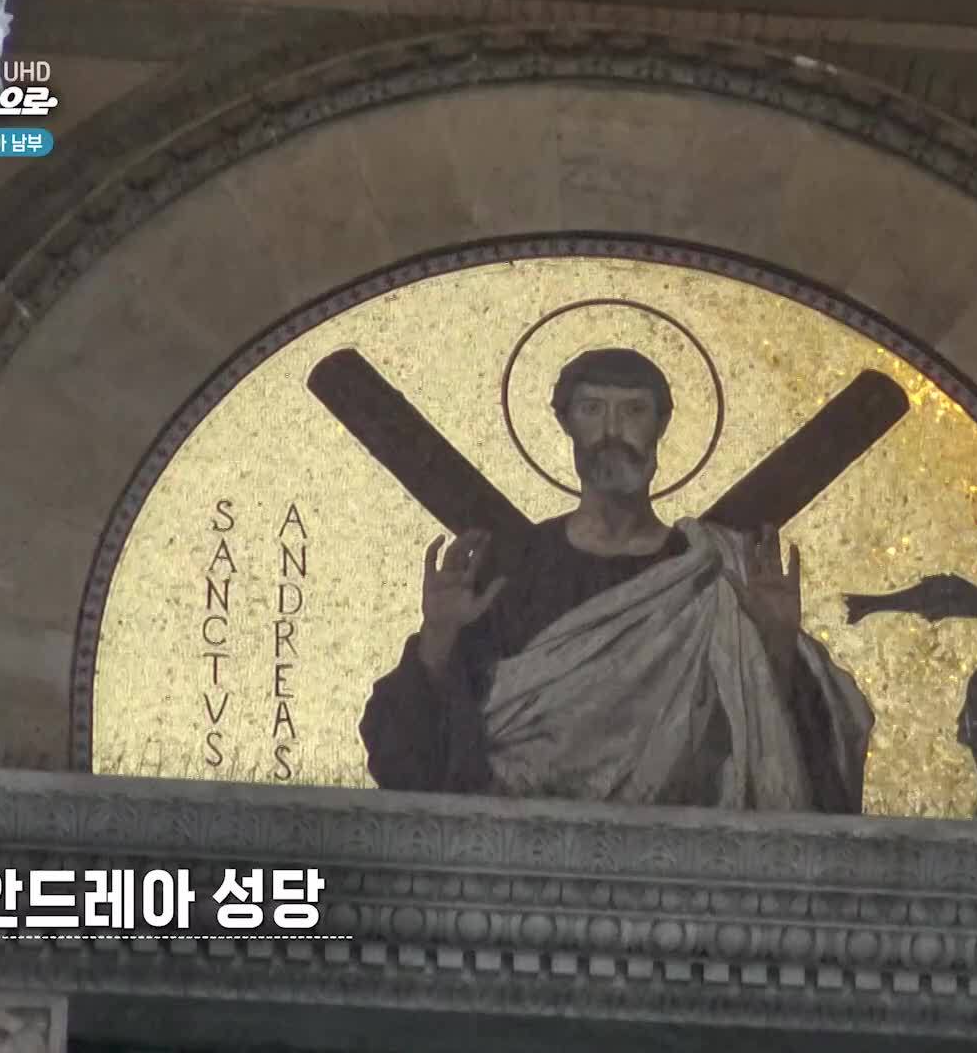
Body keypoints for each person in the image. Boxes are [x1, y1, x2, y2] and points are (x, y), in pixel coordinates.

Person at [360, 348, 874, 813]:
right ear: (565, 423)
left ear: (661, 424)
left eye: (633, 411)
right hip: (521, 849)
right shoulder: (512, 571)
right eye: (592, 409)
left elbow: (802, 765)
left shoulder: (714, 573)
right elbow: (411, 765)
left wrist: (777, 643)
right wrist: (439, 636)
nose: (612, 430)